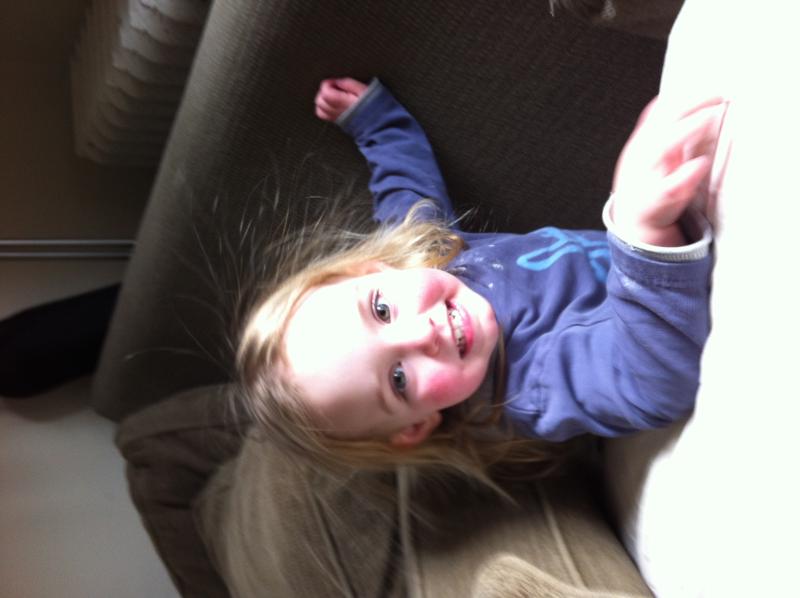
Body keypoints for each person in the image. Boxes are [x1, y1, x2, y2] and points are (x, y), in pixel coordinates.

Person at [236, 76, 723, 484]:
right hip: (696, 295)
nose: (420, 334)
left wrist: (374, 123)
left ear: (375, 270)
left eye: (381, 310)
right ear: (415, 426)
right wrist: (644, 235)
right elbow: (655, 382)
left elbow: (406, 186)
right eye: (399, 379)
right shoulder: (530, 391)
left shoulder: (424, 254)